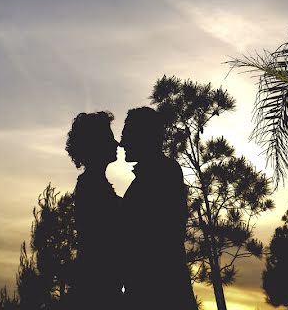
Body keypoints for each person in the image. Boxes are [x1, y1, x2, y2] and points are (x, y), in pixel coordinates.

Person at [120, 106, 198, 310]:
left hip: (158, 293)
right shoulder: (156, 173)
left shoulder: (163, 173)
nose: (122, 142)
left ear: (143, 136)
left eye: (127, 134)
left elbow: (155, 238)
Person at [66, 111, 123, 308]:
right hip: (98, 289)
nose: (116, 143)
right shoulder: (91, 186)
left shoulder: (93, 183)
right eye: (109, 138)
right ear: (95, 144)